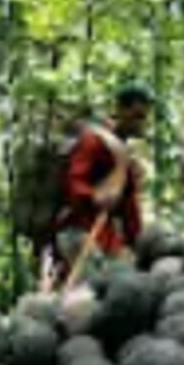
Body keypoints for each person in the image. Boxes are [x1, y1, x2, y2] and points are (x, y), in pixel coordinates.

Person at [52, 84, 153, 275]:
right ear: (121, 111)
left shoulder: (125, 157)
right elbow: (74, 184)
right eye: (136, 116)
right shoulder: (94, 141)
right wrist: (93, 198)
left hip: (105, 238)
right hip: (78, 232)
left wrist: (139, 245)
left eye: (144, 118)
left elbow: (129, 209)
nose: (140, 123)